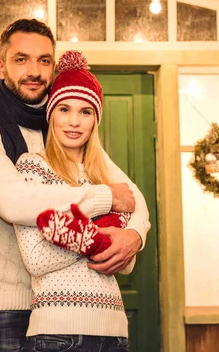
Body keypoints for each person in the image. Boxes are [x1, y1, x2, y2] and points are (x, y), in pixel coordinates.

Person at [0, 19, 150, 352]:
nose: (34, 70)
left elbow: (131, 195)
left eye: (44, 60)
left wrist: (134, 236)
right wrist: (104, 200)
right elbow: (14, 201)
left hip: (60, 305)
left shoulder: (63, 126)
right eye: (21, 59)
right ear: (1, 67)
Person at [15, 50, 132, 352]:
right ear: (50, 114)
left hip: (114, 329)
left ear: (96, 120)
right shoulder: (32, 167)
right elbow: (36, 259)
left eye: (85, 112)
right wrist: (100, 240)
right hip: (57, 331)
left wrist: (79, 236)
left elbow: (127, 262)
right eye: (64, 109)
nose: (74, 122)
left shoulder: (105, 177)